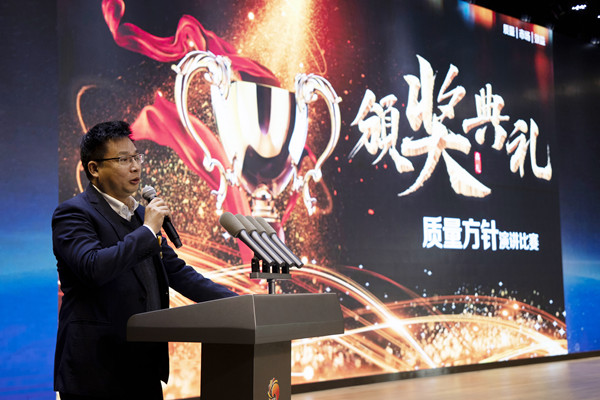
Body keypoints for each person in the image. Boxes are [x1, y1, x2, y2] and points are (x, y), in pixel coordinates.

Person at [51, 120, 237, 399]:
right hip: (95, 370)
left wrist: (238, 302)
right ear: (94, 169)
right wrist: (148, 230)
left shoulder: (140, 215)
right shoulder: (73, 213)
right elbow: (93, 267)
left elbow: (177, 273)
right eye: (123, 160)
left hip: (143, 366)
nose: (136, 167)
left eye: (136, 157)